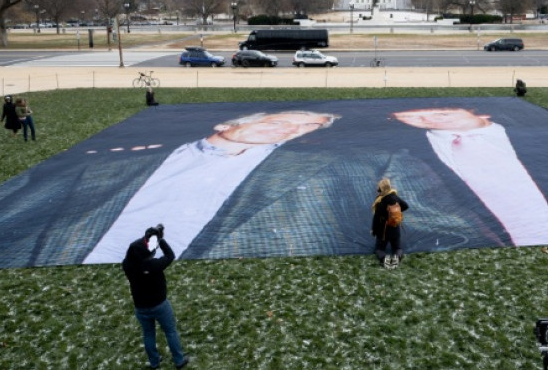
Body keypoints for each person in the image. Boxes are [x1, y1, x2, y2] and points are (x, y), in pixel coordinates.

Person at [84, 110, 340, 263]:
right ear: (226, 126)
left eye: (306, 127)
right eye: (278, 122)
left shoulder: (301, 169)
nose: (291, 130)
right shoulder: (125, 159)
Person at [391, 107, 548, 246]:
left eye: (442, 114)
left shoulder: (544, 138)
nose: (425, 119)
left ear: (482, 114)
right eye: (410, 117)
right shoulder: (403, 153)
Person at [122, 225, 189, 369]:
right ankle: (179, 360)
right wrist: (159, 239)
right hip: (160, 305)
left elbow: (135, 250)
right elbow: (170, 255)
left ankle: (154, 362)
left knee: (148, 334)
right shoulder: (153, 265)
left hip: (140, 307)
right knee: (170, 331)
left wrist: (148, 239)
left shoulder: (127, 265)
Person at [371, 177, 409, 268]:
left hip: (383, 232)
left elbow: (376, 220)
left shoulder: (380, 203)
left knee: (379, 248)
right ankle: (397, 257)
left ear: (381, 189)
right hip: (395, 229)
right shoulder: (395, 197)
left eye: (379, 189)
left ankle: (384, 258)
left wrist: (374, 231)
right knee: (397, 248)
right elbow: (406, 206)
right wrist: (398, 212)